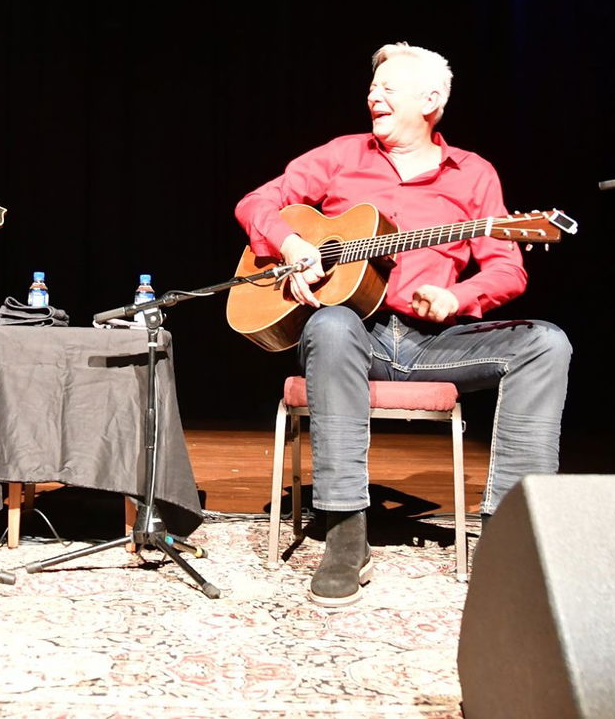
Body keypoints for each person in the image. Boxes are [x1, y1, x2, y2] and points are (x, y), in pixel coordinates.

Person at [235, 41, 571, 606]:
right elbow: (256, 203)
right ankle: (345, 534)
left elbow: (507, 269)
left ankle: (511, 534)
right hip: (353, 339)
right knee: (331, 324)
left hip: (436, 342)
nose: (374, 96)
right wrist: (292, 244)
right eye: (373, 87)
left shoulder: (474, 174)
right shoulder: (341, 155)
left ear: (431, 100)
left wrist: (457, 295)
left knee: (546, 343)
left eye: (388, 88)